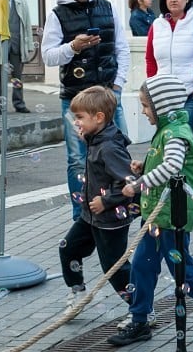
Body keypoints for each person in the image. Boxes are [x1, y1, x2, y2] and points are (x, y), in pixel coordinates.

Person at [110, 75, 193, 346]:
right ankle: (139, 319)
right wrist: (145, 166)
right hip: (156, 216)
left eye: (146, 106)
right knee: (141, 266)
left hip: (173, 217)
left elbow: (173, 166)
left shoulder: (176, 134)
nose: (144, 111)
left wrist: (139, 184)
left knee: (182, 272)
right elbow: (165, 163)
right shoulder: (166, 131)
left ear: (161, 106)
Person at [42, 0, 130, 221]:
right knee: (78, 159)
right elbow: (48, 56)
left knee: (119, 150)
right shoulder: (57, 15)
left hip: (108, 97)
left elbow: (121, 48)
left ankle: (120, 205)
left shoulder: (107, 8)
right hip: (74, 99)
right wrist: (74, 47)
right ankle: (80, 214)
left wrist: (118, 85)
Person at [59, 86, 135, 314]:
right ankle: (78, 292)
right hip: (90, 215)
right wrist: (87, 138)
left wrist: (107, 201)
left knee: (115, 268)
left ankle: (141, 309)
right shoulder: (97, 138)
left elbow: (129, 183)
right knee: (68, 248)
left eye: (80, 117)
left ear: (99, 117)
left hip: (110, 218)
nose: (77, 122)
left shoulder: (110, 147)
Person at [145, 0, 193, 137]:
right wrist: (152, 88)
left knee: (183, 140)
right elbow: (150, 59)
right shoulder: (157, 25)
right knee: (168, 142)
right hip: (165, 97)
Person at [0, 0, 35, 114]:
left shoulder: (21, 3)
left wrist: (29, 45)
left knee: (17, 77)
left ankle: (19, 104)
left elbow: (27, 24)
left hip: (17, 45)